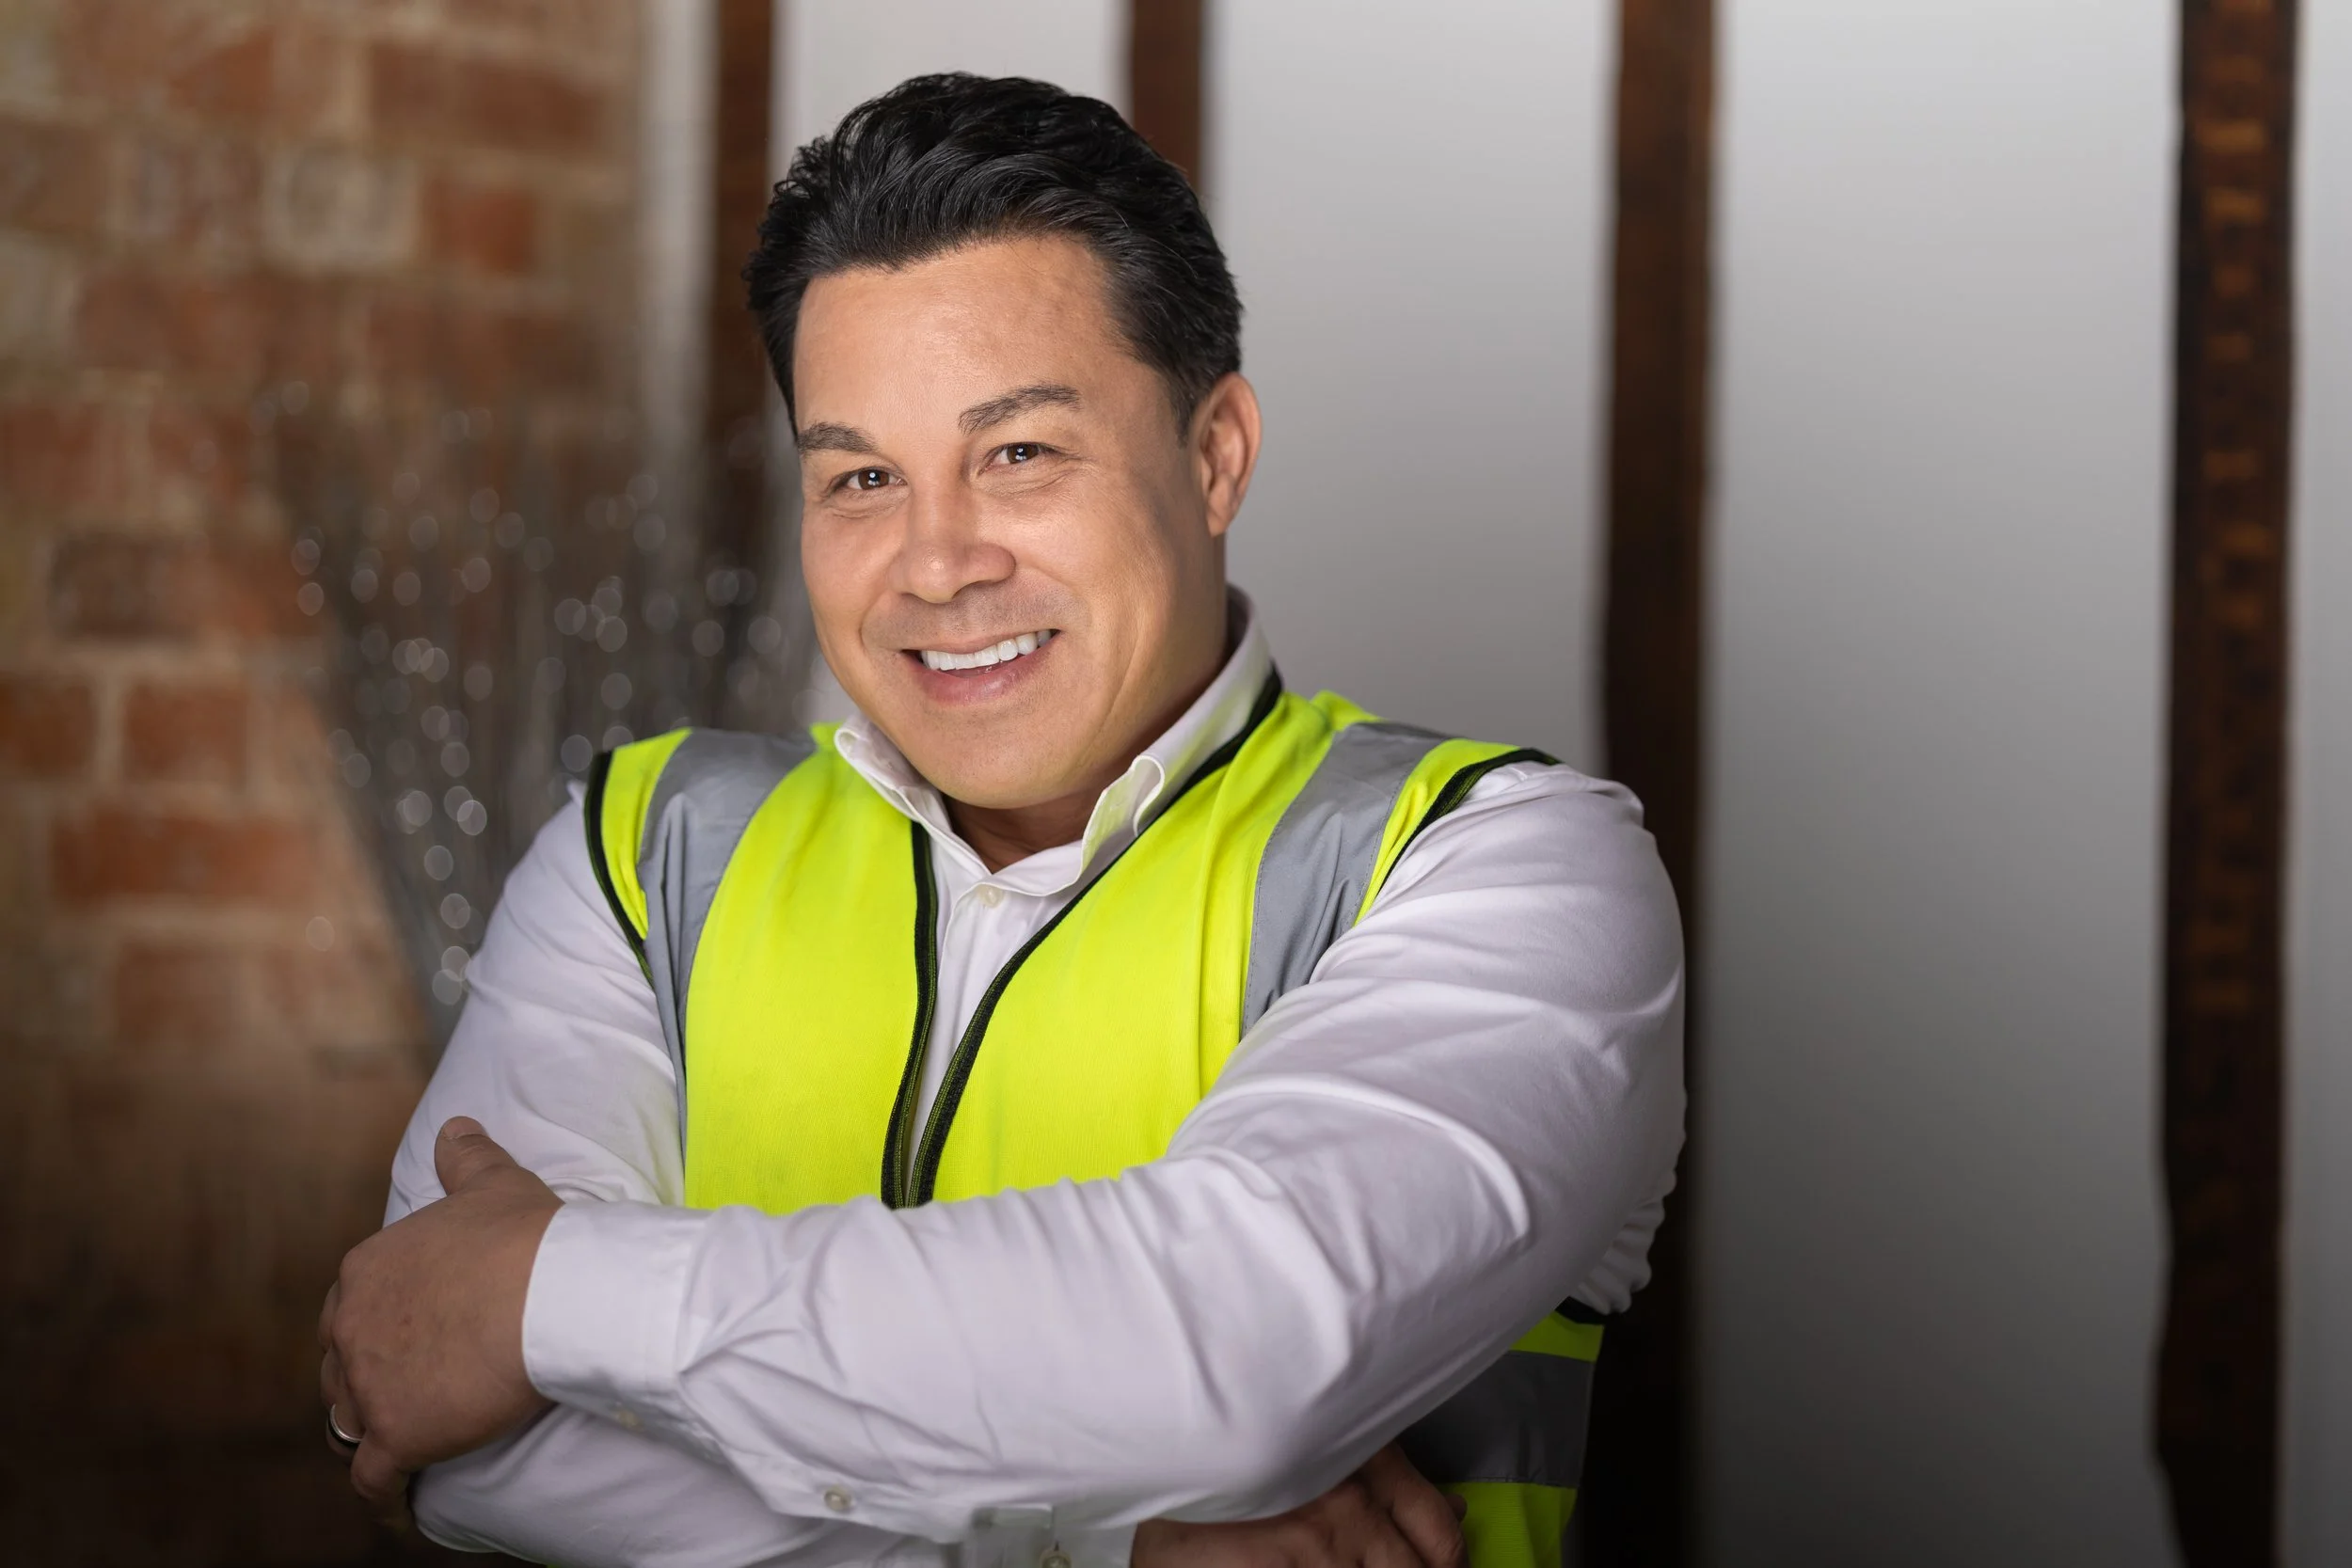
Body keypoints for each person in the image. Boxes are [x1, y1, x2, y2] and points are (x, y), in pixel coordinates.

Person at [316, 72, 1683, 1568]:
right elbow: (460, 1430)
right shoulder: (640, 852)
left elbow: (1232, 1352)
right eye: (861, 476)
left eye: (1018, 452)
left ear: (1215, 453)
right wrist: (1097, 1549)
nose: (936, 561)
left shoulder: (1496, 861)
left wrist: (543, 1293)